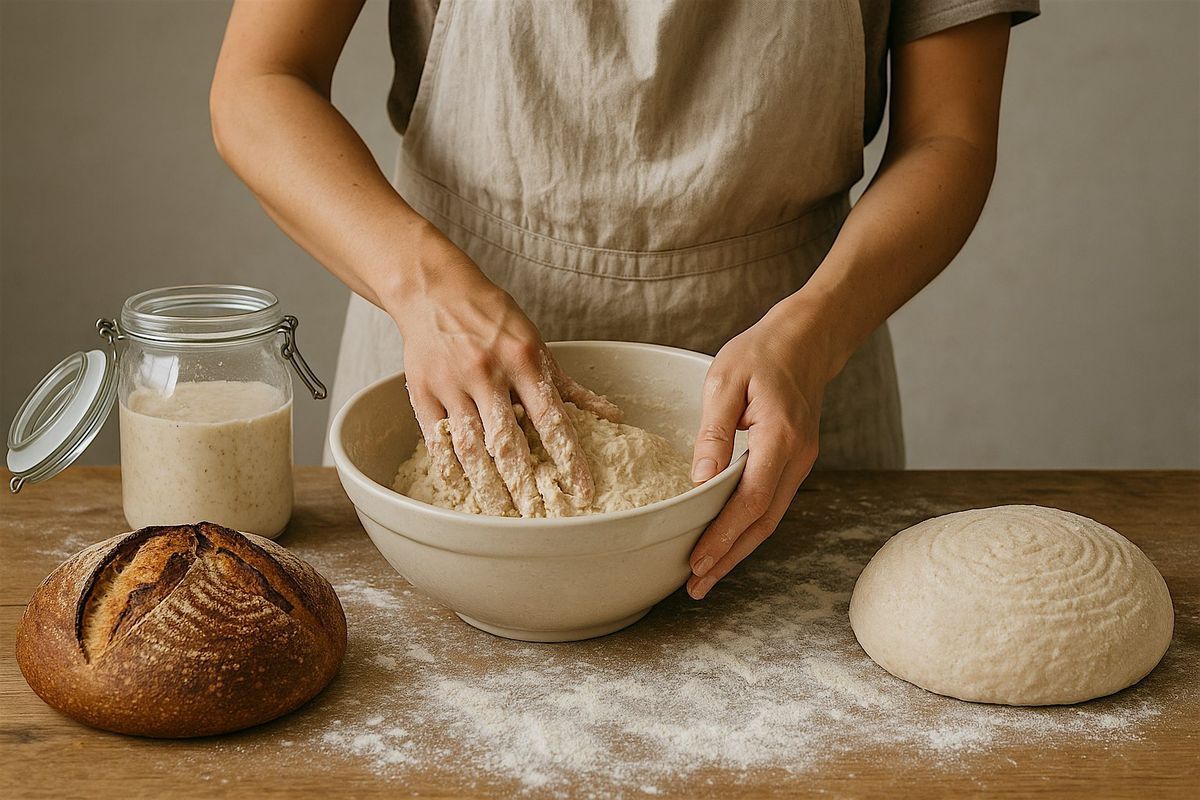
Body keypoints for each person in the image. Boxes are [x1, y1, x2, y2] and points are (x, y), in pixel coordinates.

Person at [210, 0, 1038, 599]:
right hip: (448, 344)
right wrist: (420, 285)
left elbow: (950, 135)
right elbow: (258, 81)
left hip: (790, 361)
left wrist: (817, 331)